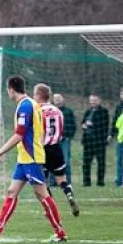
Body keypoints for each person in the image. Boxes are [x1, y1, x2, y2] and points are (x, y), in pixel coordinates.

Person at [0, 76, 67, 243]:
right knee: (12, 191)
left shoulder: (26, 106)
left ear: (11, 89)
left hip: (31, 158)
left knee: (42, 194)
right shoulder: (29, 104)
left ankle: (60, 233)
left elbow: (19, 135)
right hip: (24, 158)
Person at [34, 84, 80, 217]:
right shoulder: (58, 111)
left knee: (42, 183)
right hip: (57, 148)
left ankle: (50, 208)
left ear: (38, 96)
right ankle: (69, 195)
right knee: (62, 179)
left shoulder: (37, 110)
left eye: (35, 94)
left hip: (42, 150)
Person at [80, 94, 110, 187]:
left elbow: (104, 125)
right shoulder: (88, 111)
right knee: (86, 163)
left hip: (99, 141)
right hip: (88, 141)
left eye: (94, 100)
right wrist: (84, 125)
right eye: (91, 100)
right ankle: (86, 182)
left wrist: (92, 124)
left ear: (99, 100)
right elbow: (83, 122)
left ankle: (100, 182)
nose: (92, 102)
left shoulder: (104, 111)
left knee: (101, 162)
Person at [52, 93, 75, 184]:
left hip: (65, 139)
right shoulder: (51, 111)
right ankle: (53, 182)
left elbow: (73, 125)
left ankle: (67, 181)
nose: (57, 100)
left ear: (62, 99)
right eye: (55, 98)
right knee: (53, 161)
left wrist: (69, 136)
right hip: (53, 141)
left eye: (59, 98)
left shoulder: (68, 112)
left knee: (66, 161)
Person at [110, 87, 123, 186]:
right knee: (119, 159)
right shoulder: (118, 107)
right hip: (120, 137)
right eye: (122, 94)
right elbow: (115, 121)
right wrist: (111, 134)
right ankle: (119, 179)